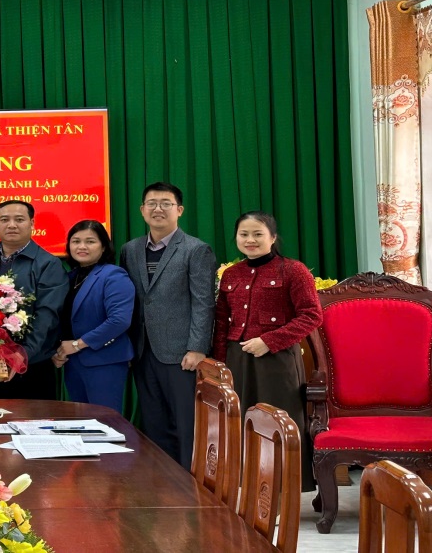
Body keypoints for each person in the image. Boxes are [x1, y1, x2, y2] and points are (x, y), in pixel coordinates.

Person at [213, 210, 322, 490]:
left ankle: (285, 489)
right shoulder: (231, 274)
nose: (250, 240)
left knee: (278, 422)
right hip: (238, 360)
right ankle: (248, 488)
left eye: (258, 234)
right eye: (244, 234)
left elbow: (311, 315)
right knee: (242, 422)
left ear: (272, 237)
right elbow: (222, 322)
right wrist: (220, 363)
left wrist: (270, 341)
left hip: (277, 361)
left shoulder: (294, 270)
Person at [120, 182, 216, 470]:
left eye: (166, 203)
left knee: (186, 423)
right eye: (151, 203)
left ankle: (190, 482)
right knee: (154, 422)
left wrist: (197, 347)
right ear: (142, 210)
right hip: (142, 350)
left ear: (179, 210)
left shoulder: (196, 250)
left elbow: (203, 302)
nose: (158, 209)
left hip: (181, 353)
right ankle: (162, 481)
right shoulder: (130, 249)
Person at [0, 200, 69, 400]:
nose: (12, 225)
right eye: (4, 220)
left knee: (33, 419)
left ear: (32, 223)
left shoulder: (48, 264)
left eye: (19, 219)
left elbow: (47, 315)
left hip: (32, 364)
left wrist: (23, 353)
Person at [51, 220, 135, 413]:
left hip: (104, 362)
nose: (82, 246)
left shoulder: (114, 275)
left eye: (90, 241)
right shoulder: (69, 278)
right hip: (73, 362)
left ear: (103, 246)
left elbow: (119, 320)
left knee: (105, 421)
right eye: (76, 241)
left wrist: (77, 344)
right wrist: (59, 349)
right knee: (82, 422)